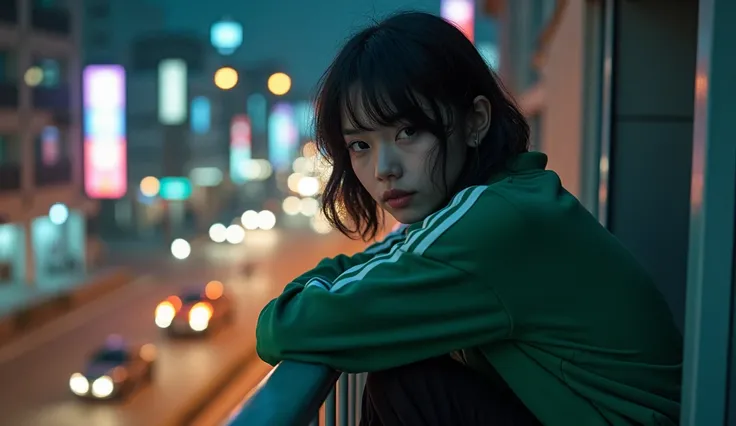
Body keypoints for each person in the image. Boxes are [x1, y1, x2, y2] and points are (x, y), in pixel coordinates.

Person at [255, 11, 682, 426]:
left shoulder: (495, 222)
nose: (384, 167)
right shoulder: (502, 200)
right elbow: (370, 264)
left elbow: (284, 324)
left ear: (475, 121)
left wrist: (312, 292)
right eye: (360, 145)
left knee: (409, 384)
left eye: (408, 132)